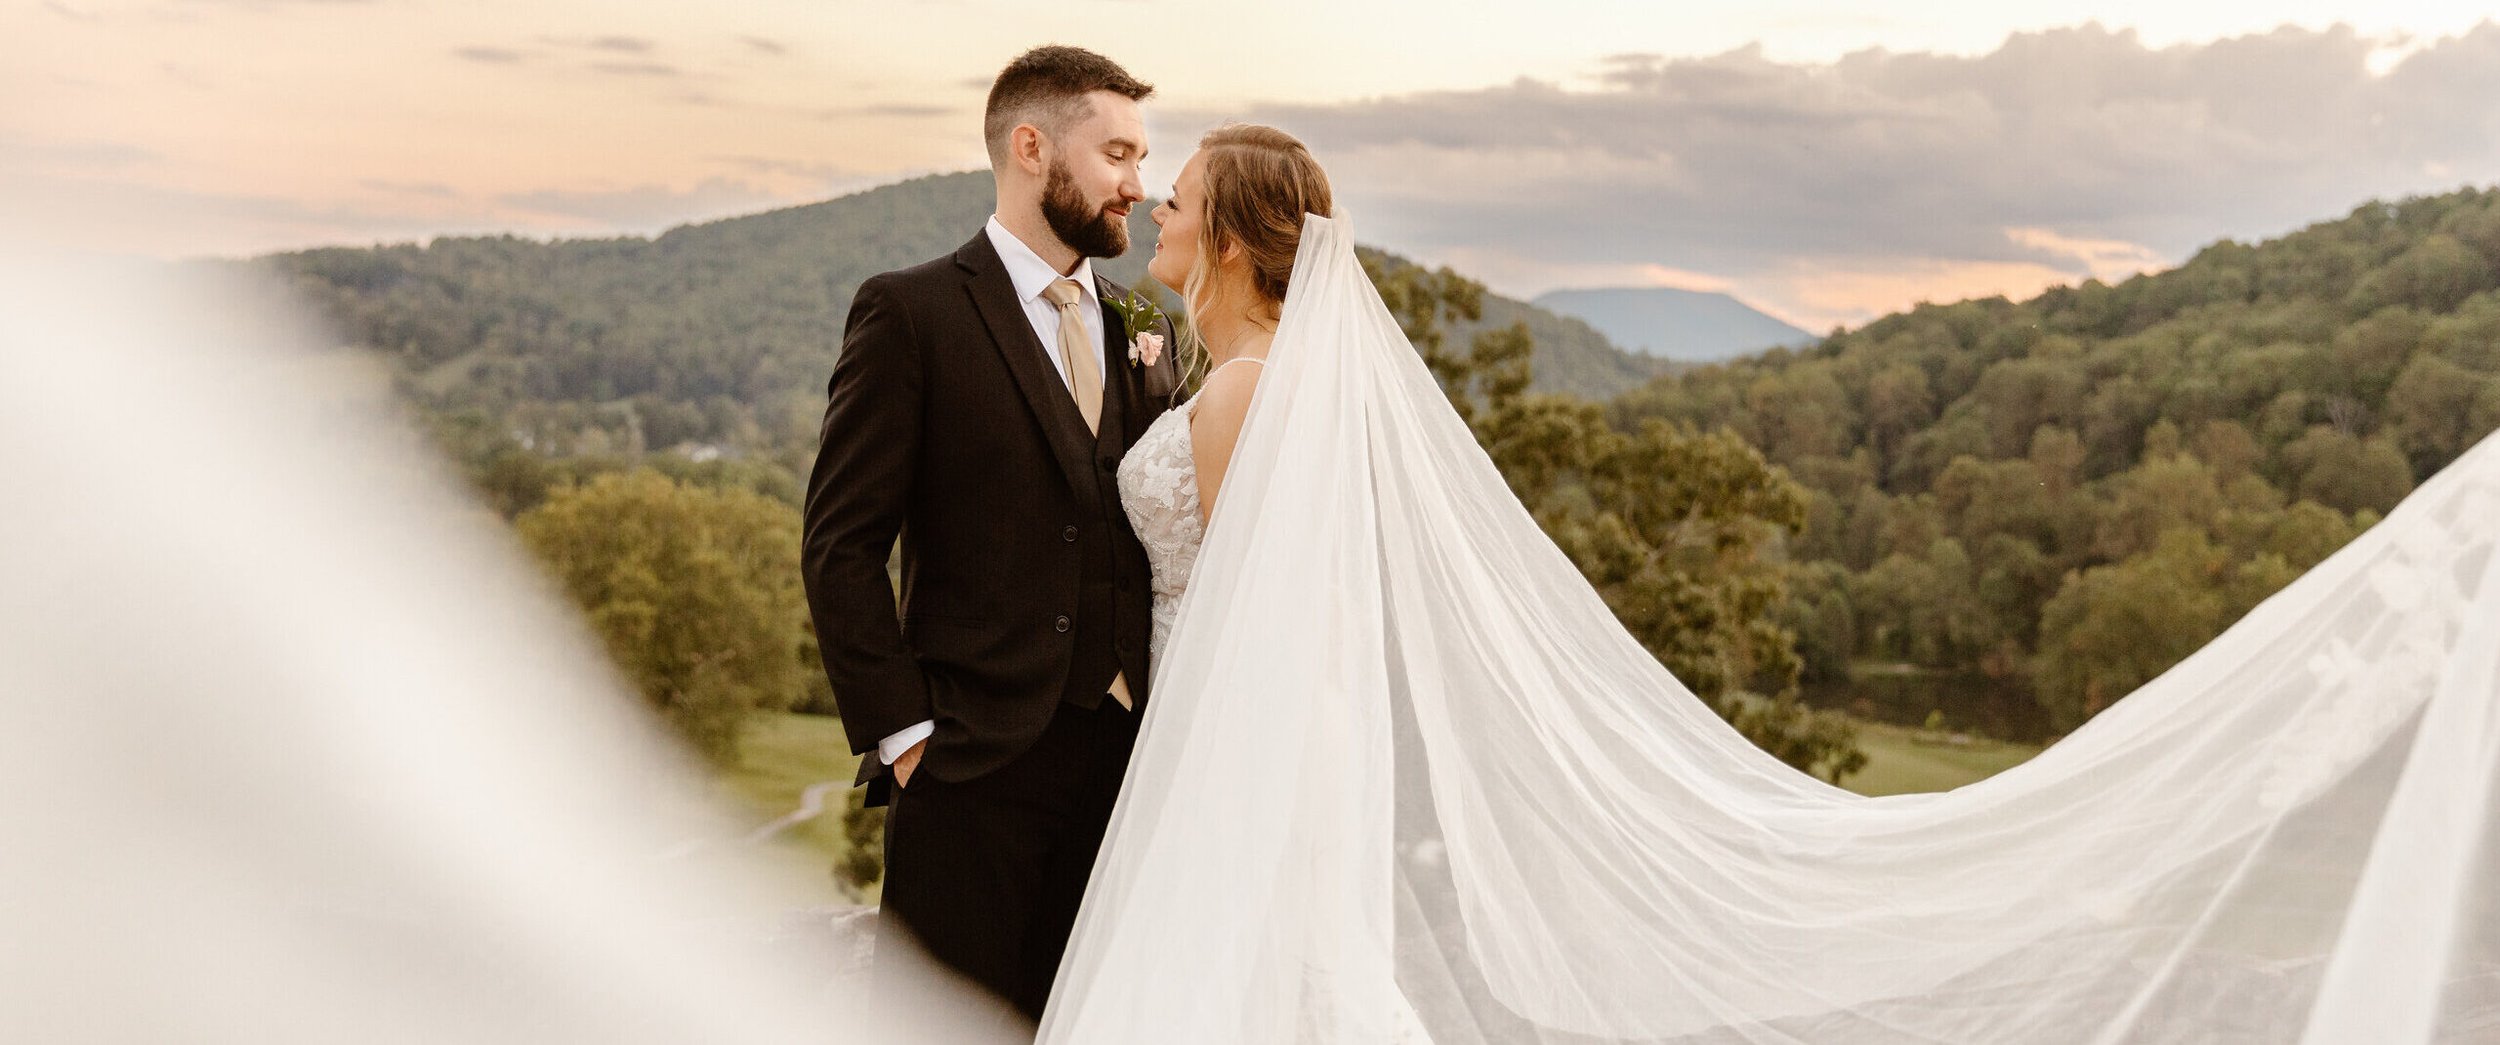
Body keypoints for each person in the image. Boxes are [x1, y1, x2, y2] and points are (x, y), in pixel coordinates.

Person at [1032, 124, 2500, 1042]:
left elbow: (1244, 626)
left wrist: (1173, 740)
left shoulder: (1236, 398)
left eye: (1179, 200)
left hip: (1246, 741)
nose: (1152, 210)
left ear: (1229, 238)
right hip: (1286, 737)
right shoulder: (1274, 384)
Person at [799, 44, 1179, 1027]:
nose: (1139, 185)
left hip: (1123, 770)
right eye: (1118, 155)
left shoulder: (1145, 328)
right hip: (967, 769)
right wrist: (907, 736)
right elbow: (840, 544)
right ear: (1030, 147)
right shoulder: (912, 310)